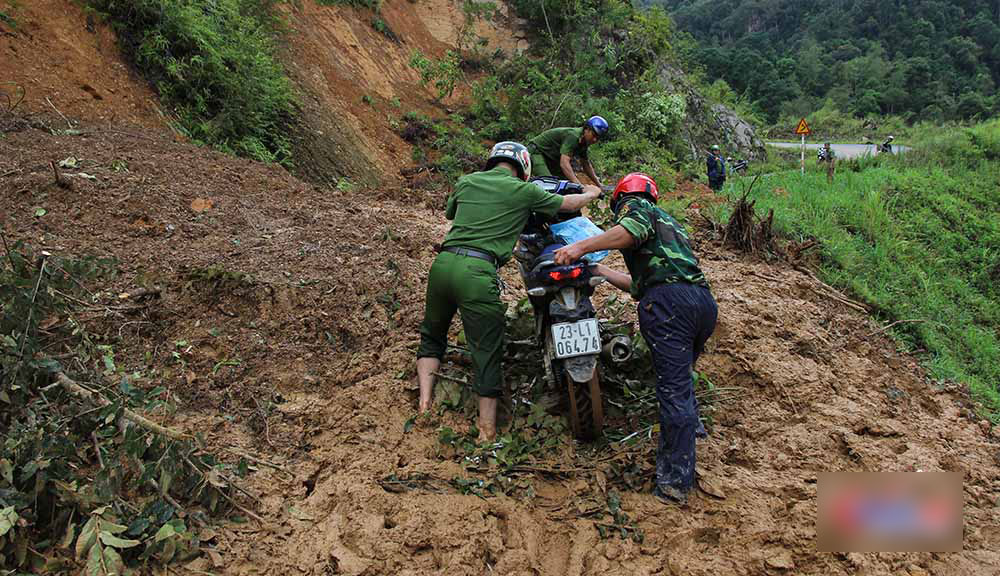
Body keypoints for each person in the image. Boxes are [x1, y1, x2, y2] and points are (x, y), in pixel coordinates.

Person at [416, 141, 601, 444]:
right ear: (523, 167)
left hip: (443, 265)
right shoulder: (524, 191)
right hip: (477, 273)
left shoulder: (467, 181)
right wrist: (591, 192)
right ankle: (486, 431)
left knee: (432, 336)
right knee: (486, 351)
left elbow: (451, 213)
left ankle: (424, 405)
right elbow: (567, 205)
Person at [552, 173, 717, 506]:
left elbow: (630, 232)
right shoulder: (670, 224)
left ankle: (674, 483)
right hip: (702, 304)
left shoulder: (636, 208)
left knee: (672, 392)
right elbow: (641, 285)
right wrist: (601, 272)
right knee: (681, 375)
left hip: (669, 307)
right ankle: (694, 428)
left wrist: (579, 246)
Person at [526, 116, 608, 186]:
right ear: (587, 129)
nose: (594, 140)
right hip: (537, 151)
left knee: (566, 184)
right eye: (594, 135)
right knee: (549, 183)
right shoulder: (574, 136)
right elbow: (564, 163)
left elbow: (586, 164)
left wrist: (598, 184)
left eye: (598, 138)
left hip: (551, 158)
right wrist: (579, 185)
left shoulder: (584, 142)